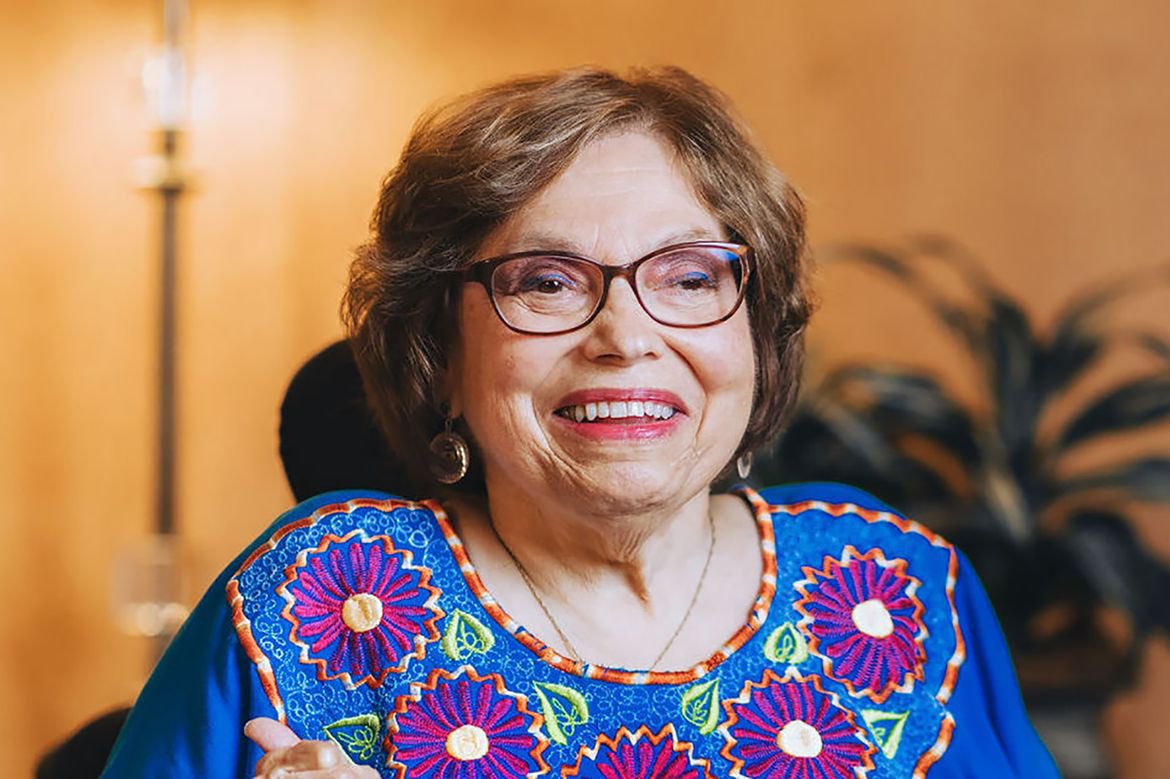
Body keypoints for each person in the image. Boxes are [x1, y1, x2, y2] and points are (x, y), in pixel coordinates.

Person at [102, 66, 1059, 778]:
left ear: (757, 335)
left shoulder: (891, 582)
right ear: (441, 350)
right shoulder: (319, 591)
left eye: (690, 277)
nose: (626, 336)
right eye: (546, 282)